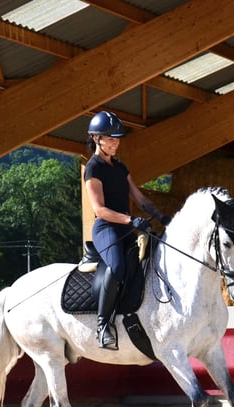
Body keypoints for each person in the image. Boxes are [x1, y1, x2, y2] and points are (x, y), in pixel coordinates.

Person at [84, 111, 170, 350]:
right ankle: (103, 326)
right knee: (118, 266)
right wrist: (131, 221)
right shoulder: (93, 168)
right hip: (106, 229)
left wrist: (161, 216)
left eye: (117, 138)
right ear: (96, 138)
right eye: (110, 138)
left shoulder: (120, 167)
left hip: (125, 226)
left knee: (151, 258)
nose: (116, 142)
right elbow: (100, 209)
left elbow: (140, 198)